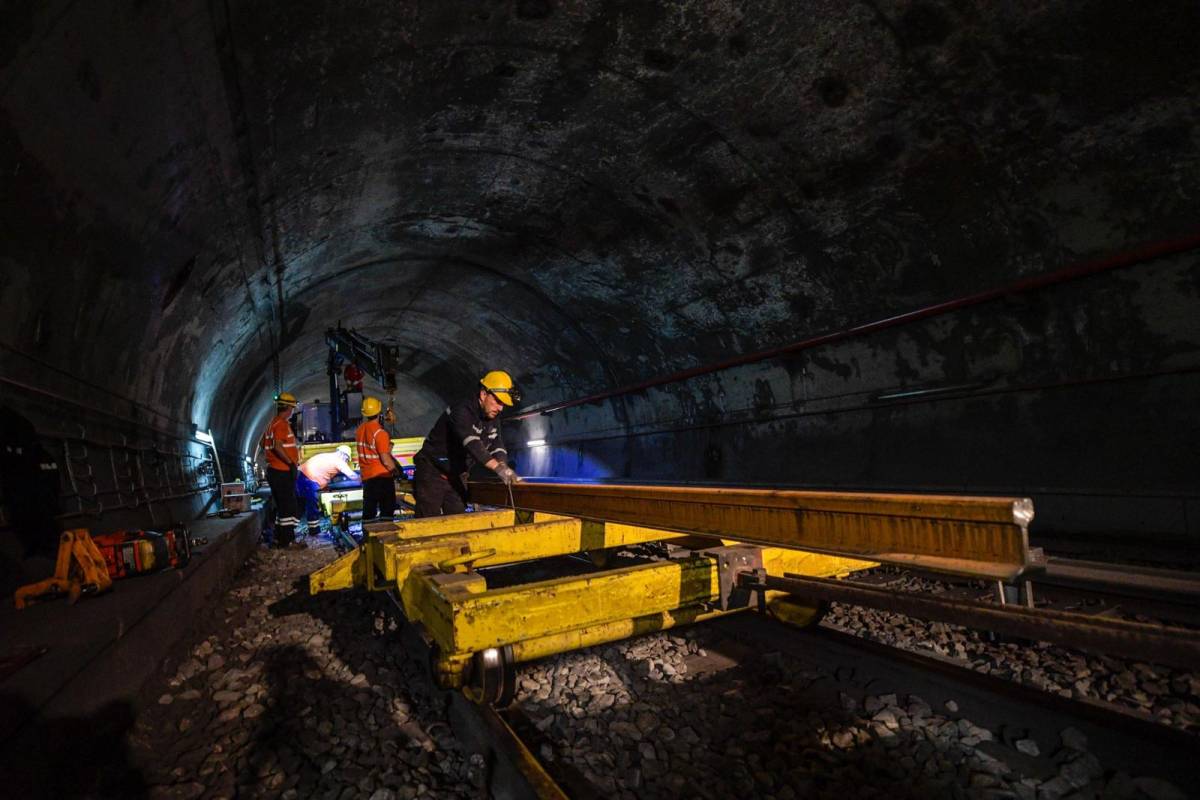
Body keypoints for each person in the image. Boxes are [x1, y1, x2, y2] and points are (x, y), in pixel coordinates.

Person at [413, 370, 521, 517]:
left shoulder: (492, 417)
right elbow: (472, 443)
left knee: (458, 518)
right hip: (432, 471)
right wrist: (498, 469)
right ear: (483, 394)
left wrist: (503, 465)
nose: (500, 408)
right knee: (427, 520)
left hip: (457, 475)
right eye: (498, 401)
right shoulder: (462, 410)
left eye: (503, 404)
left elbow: (497, 444)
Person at [261, 392, 303, 549]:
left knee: (282, 506)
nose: (292, 410)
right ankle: (288, 540)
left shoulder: (271, 424)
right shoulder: (282, 424)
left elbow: (262, 444)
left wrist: (271, 457)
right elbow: (278, 446)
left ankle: (279, 538)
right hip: (282, 471)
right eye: (292, 407)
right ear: (287, 408)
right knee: (289, 507)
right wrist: (290, 463)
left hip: (275, 470)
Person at [356, 396, 401, 523]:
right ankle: (386, 537)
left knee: (369, 511)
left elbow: (371, 447)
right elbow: (385, 459)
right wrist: (395, 471)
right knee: (387, 510)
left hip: (367, 477)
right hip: (382, 477)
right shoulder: (380, 433)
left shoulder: (360, 430)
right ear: (379, 412)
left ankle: (368, 537)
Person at [295, 444, 359, 533]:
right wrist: (364, 481)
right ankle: (314, 532)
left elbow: (322, 471)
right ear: (344, 455)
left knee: (299, 506)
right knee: (312, 506)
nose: (346, 462)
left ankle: (288, 530)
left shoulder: (329, 457)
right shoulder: (339, 461)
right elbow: (352, 475)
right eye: (347, 459)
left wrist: (325, 486)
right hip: (308, 480)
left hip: (301, 477)